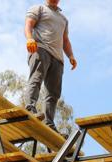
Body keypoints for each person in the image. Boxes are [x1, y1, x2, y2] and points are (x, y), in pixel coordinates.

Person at [23, 0, 77, 131]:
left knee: (53, 92)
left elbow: (65, 40)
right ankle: (30, 107)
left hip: (58, 58)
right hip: (41, 48)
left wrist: (71, 56)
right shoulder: (39, 8)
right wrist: (30, 38)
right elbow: (28, 24)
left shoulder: (63, 19)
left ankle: (49, 122)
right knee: (36, 78)